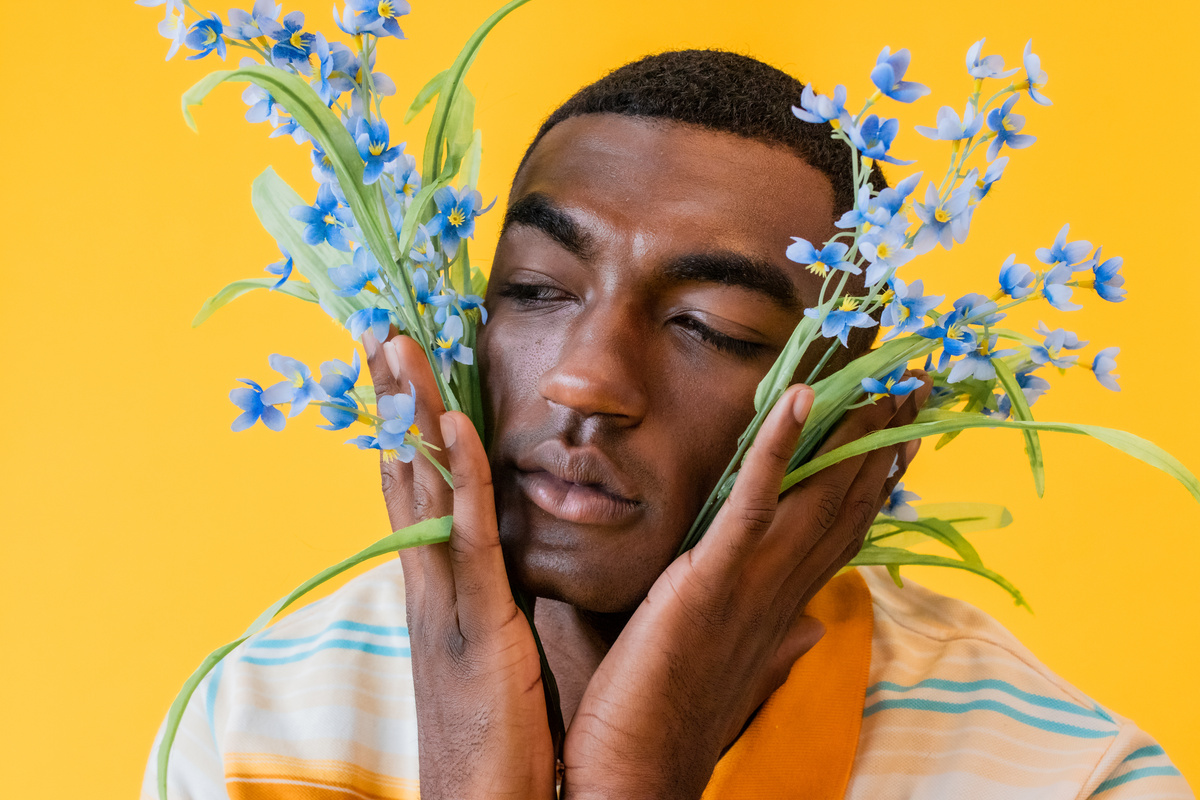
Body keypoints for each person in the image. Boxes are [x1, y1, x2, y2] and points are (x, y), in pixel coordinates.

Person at [142, 50, 1192, 799]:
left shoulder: (1068, 776)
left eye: (709, 324)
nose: (587, 380)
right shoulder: (255, 727)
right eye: (539, 289)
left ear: (862, 424)